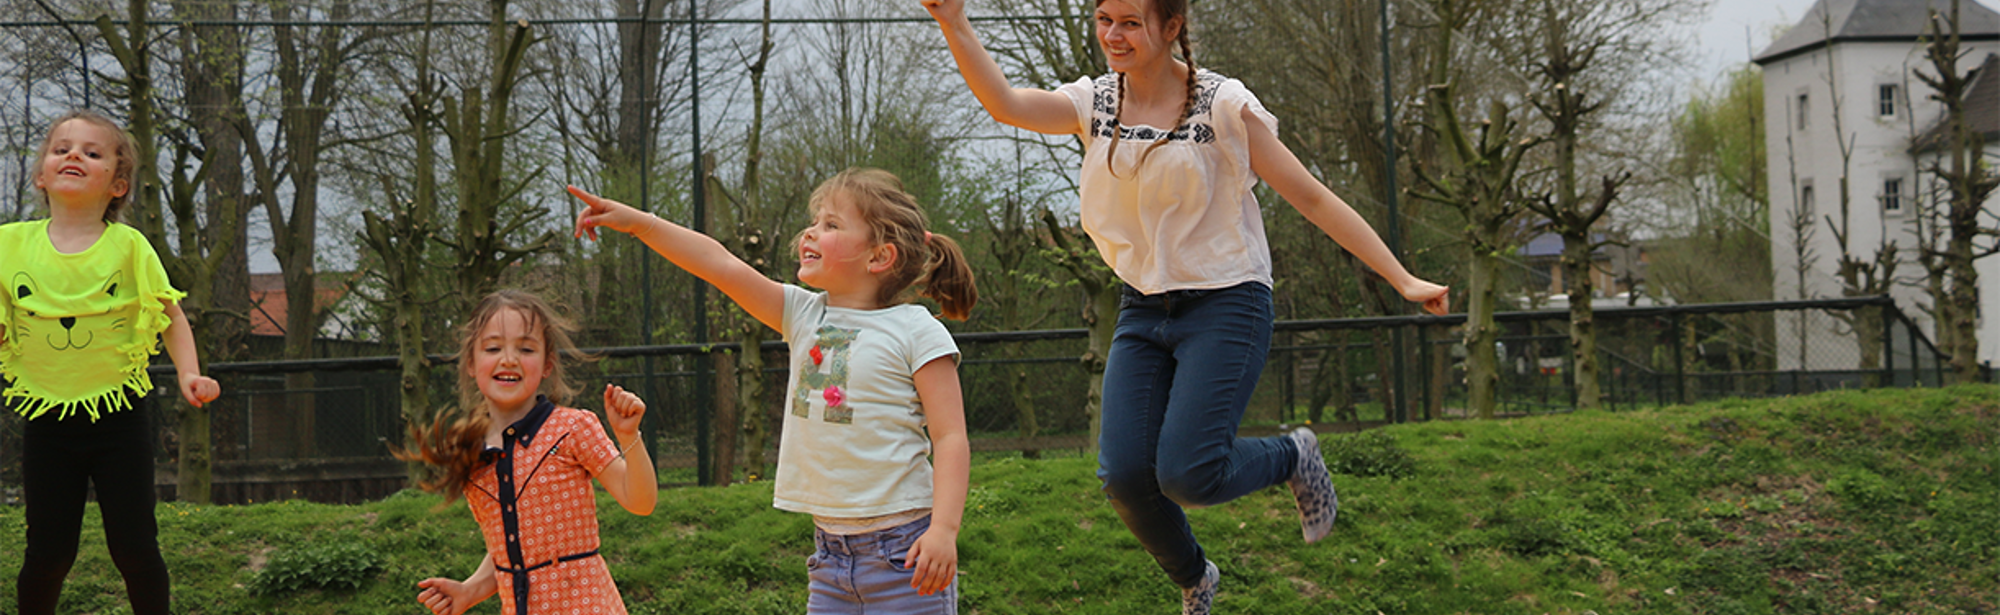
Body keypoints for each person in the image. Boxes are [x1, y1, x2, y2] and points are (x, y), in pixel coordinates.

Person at [921, 1, 1451, 612]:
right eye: (1104, 20)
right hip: (1142, 307)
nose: (1113, 36)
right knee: (1124, 477)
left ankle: (1294, 453)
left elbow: (1312, 197)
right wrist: (953, 21)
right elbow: (1006, 104)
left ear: (1171, 27)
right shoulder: (1093, 101)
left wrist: (1402, 277)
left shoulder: (1223, 106)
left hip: (1228, 301)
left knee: (1189, 475)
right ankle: (1196, 576)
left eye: (1130, 22)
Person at [568, 167, 976, 614]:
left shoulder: (914, 329)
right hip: (831, 559)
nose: (811, 232)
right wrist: (640, 223)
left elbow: (950, 436)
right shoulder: (802, 314)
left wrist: (944, 530)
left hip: (905, 554)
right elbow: (719, 263)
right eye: (815, 220)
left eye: (832, 225)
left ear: (879, 257)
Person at [0, 109, 221, 615]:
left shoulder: (128, 247)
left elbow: (168, 315)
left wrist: (189, 372)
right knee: (49, 553)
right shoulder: (9, 245)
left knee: (135, 549)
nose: (74, 154)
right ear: (41, 174)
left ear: (117, 185)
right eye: (62, 149)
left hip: (119, 420)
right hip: (46, 420)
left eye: (92, 152)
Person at [400, 290, 657, 615]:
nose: (509, 359)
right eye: (493, 348)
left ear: (547, 364)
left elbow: (641, 501)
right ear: (471, 363)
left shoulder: (573, 428)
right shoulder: (475, 456)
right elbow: (511, 547)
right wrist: (469, 591)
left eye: (526, 348)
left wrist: (628, 437)